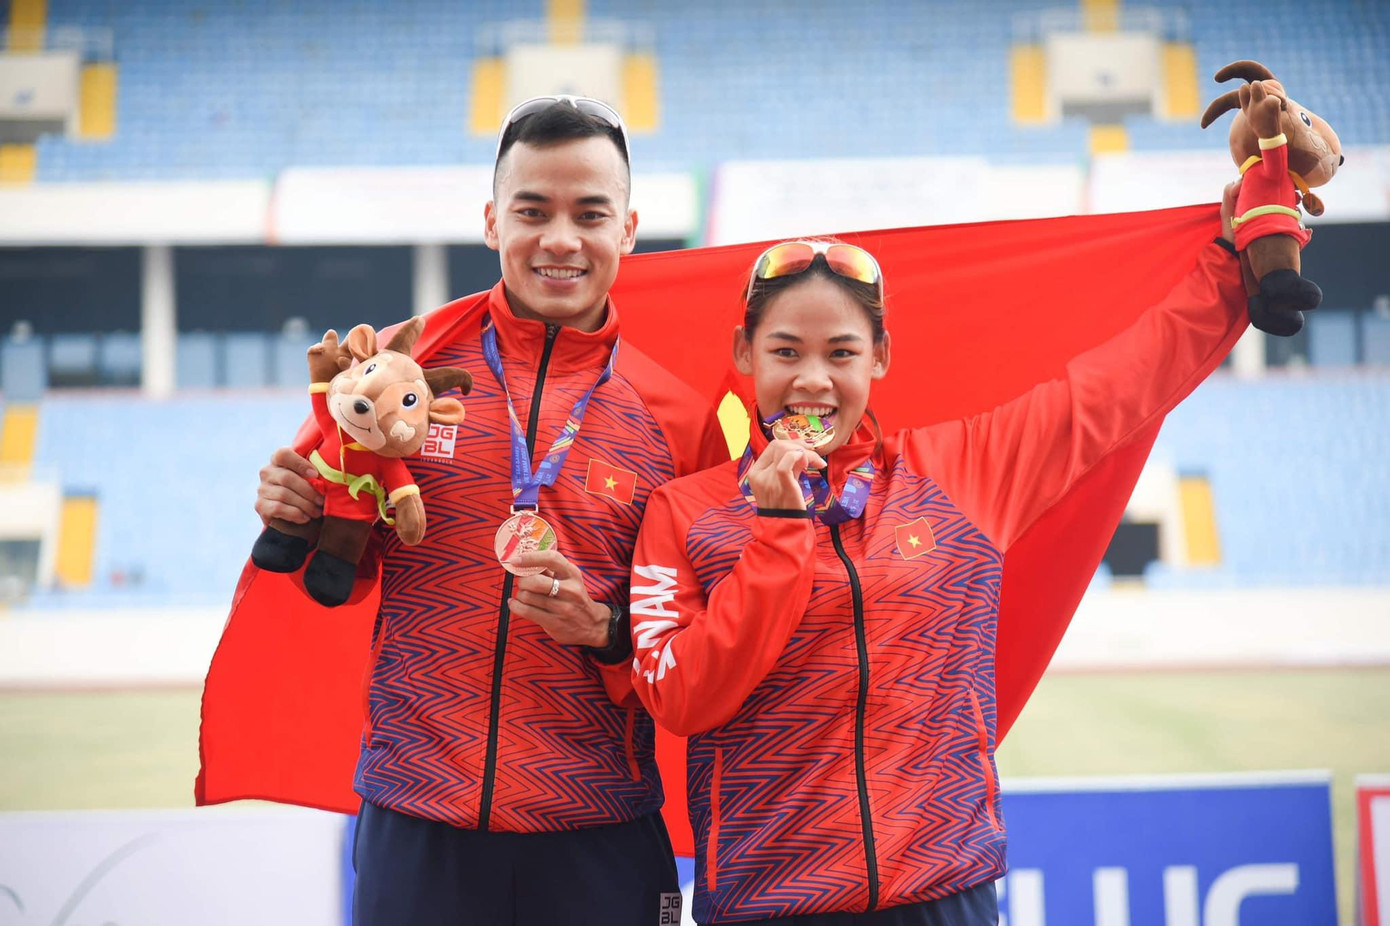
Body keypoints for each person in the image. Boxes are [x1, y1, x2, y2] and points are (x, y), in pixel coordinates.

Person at [626, 186, 1250, 924]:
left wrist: (1240, 258)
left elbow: (1122, 382)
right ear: (744, 354)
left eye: (842, 353)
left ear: (881, 357)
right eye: (785, 352)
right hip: (769, 903)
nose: (812, 380)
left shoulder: (959, 474)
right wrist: (776, 530)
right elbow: (684, 698)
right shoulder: (685, 511)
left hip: (944, 893)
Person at [252, 96, 727, 925]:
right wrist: (295, 511)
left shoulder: (680, 421)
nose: (560, 240)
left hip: (600, 826)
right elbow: (342, 564)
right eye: (532, 211)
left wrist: (607, 628)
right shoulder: (398, 365)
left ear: (629, 230)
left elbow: (703, 641)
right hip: (419, 812)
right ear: (490, 220)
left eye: (590, 214)